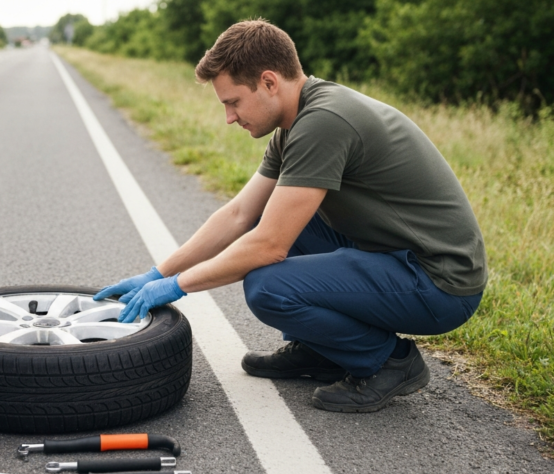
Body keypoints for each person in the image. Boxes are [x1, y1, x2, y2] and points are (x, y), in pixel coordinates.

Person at [94, 19, 487, 413]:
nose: (229, 117)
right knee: (273, 213)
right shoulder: (296, 122)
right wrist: (157, 274)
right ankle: (324, 351)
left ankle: (390, 361)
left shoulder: (323, 122)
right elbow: (238, 214)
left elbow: (269, 245)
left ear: (269, 82)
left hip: (440, 282)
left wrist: (178, 285)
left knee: (268, 285)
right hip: (397, 255)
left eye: (233, 102)